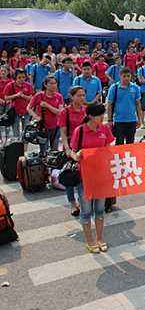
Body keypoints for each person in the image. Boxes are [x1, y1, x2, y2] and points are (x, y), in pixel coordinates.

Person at [68, 103, 115, 254]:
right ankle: (90, 241)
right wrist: (78, 155)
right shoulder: (80, 131)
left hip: (101, 175)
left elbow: (109, 148)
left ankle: (100, 238)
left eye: (103, 115)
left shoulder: (104, 129)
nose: (102, 117)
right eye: (99, 115)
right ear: (90, 116)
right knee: (86, 210)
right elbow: (73, 153)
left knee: (100, 210)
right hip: (85, 177)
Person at [59, 86, 87, 217]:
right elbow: (63, 133)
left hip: (85, 148)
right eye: (79, 95)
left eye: (83, 95)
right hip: (71, 147)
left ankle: (83, 201)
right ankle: (72, 203)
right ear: (71, 96)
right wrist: (68, 149)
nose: (82, 98)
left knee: (84, 175)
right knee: (70, 175)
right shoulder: (65, 112)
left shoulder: (86, 111)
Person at [27, 76, 63, 155]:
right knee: (44, 151)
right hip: (43, 127)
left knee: (54, 150)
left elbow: (59, 112)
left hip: (56, 126)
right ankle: (43, 166)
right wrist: (36, 117)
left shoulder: (59, 96)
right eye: (51, 83)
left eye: (55, 83)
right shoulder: (39, 95)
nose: (54, 85)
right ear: (45, 85)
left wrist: (47, 106)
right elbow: (29, 108)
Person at [106, 67, 143, 145]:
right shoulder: (114, 88)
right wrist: (109, 120)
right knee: (119, 143)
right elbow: (109, 104)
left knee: (130, 143)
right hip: (119, 120)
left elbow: (138, 104)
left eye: (128, 76)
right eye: (124, 76)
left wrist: (139, 119)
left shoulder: (135, 88)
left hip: (132, 120)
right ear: (120, 76)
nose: (126, 78)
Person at [4, 69, 34, 138]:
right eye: (19, 77)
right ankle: (17, 145)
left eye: (23, 77)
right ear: (15, 77)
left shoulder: (28, 85)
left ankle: (24, 146)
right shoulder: (10, 85)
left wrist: (23, 96)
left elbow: (32, 98)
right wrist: (16, 95)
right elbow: (6, 97)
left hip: (26, 110)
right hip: (15, 111)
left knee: (26, 131)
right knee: (15, 130)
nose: (22, 79)